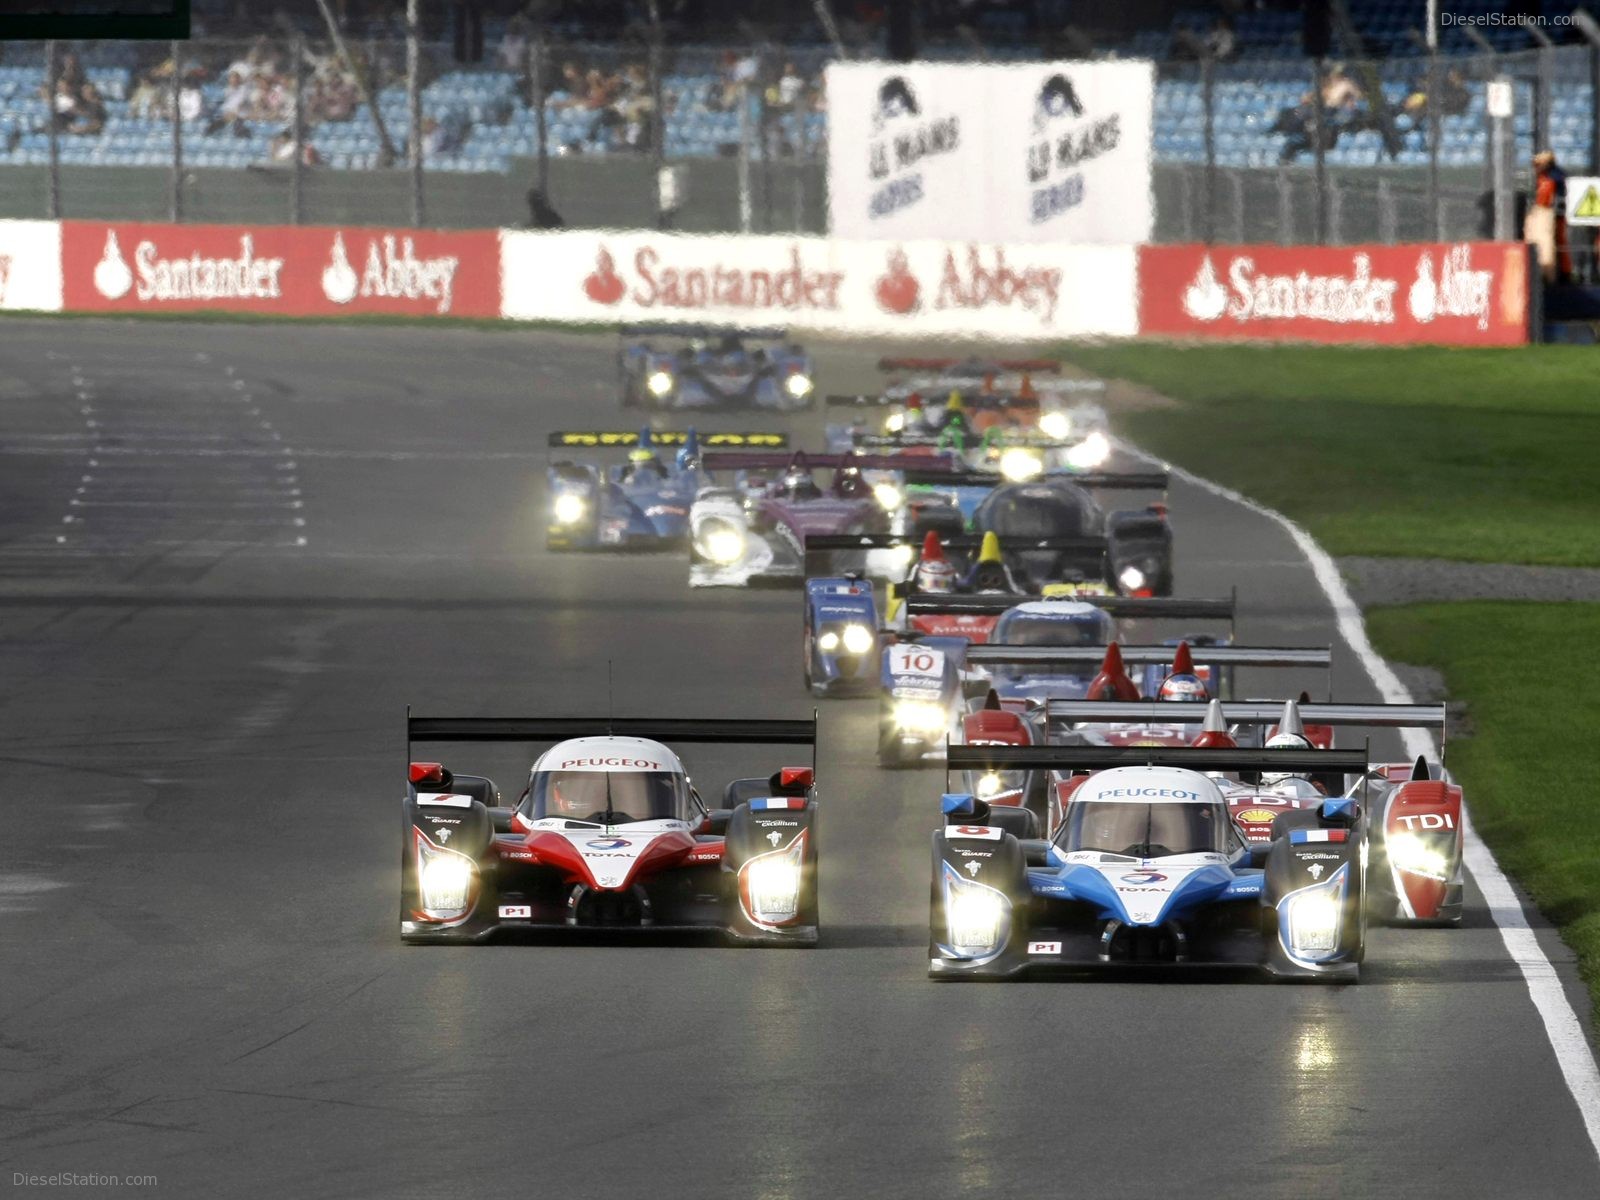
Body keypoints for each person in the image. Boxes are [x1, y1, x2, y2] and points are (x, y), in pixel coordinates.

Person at [1529, 150, 1572, 285]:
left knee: (1557, 241)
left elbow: (1546, 196)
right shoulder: (1546, 176)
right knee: (1552, 243)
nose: (1536, 167)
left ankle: (1562, 273)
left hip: (1555, 214)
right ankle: (1555, 272)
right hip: (1550, 214)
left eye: (1539, 164)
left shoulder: (1553, 176)